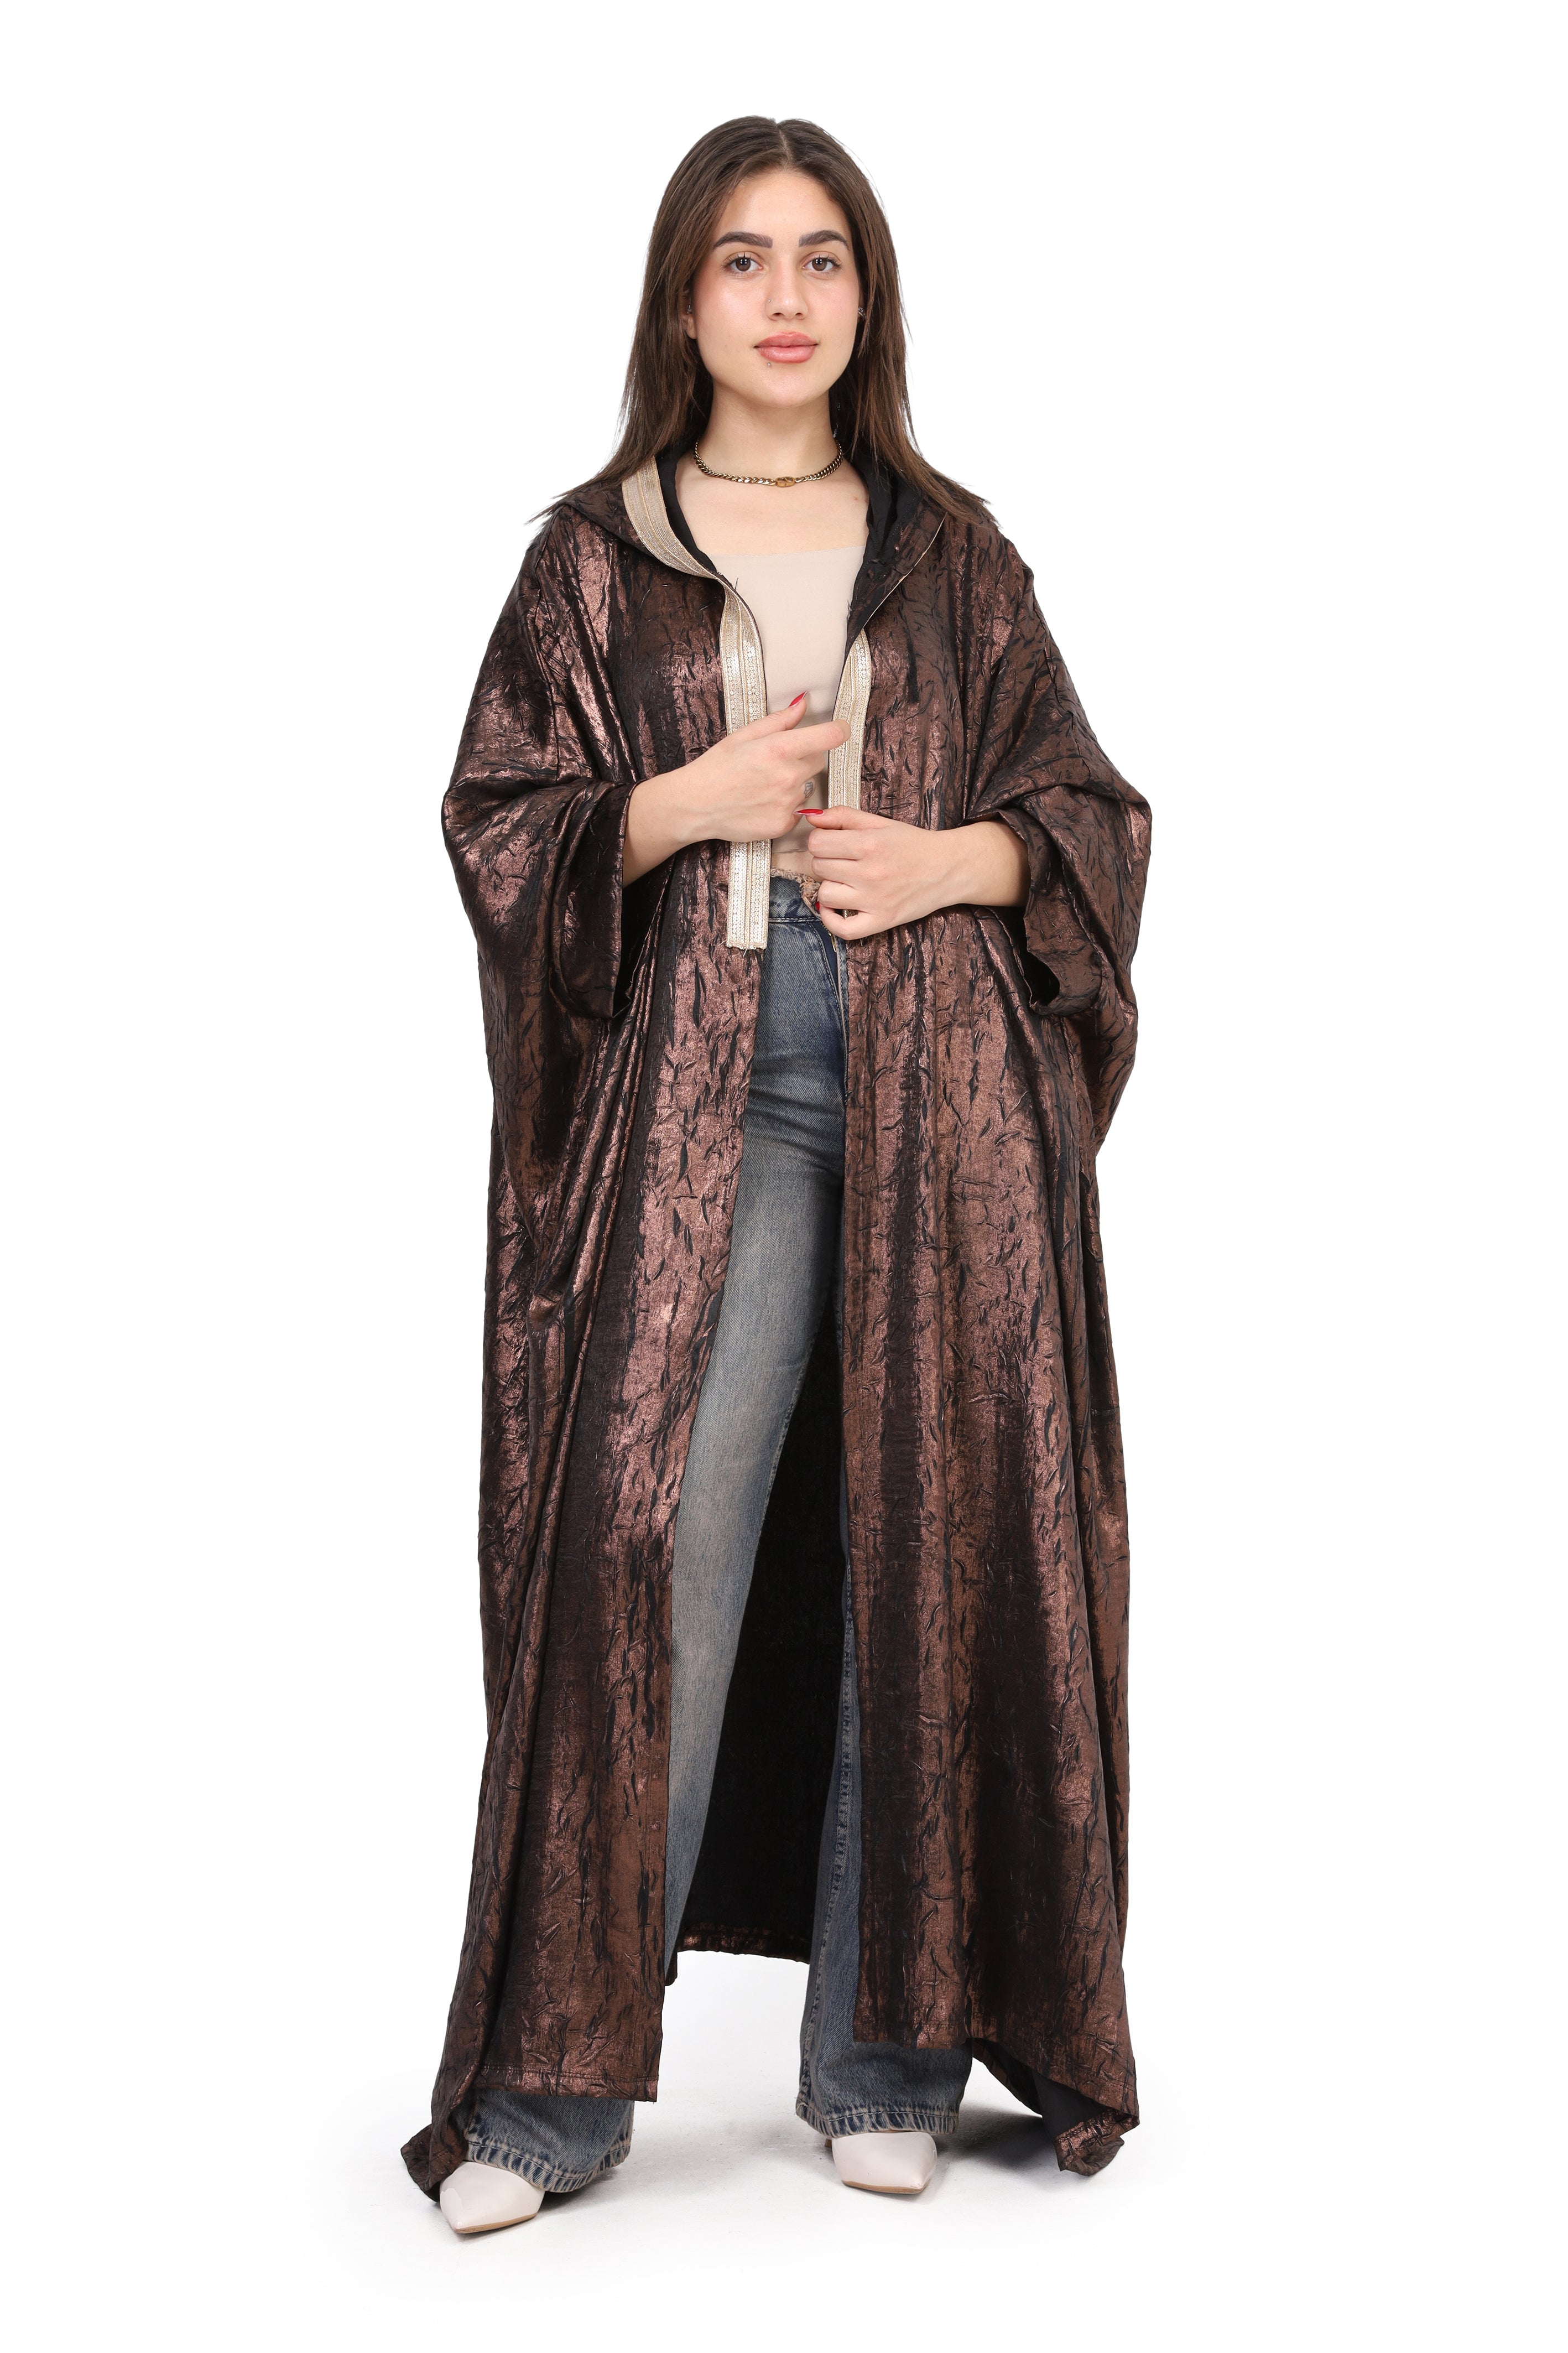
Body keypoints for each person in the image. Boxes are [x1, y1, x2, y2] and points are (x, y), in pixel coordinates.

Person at [403, 116, 1152, 2234]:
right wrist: (687, 799)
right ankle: (552, 2093)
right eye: (743, 259)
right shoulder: (594, 555)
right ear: (682, 298)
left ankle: (886, 2057)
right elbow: (496, 822)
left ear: (865, 295)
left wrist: (951, 860)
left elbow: (1086, 816)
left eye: (823, 257)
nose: (786, 296)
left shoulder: (947, 550)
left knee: (920, 1542)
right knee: (648, 1541)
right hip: (695, 1107)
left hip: (937, 1112)